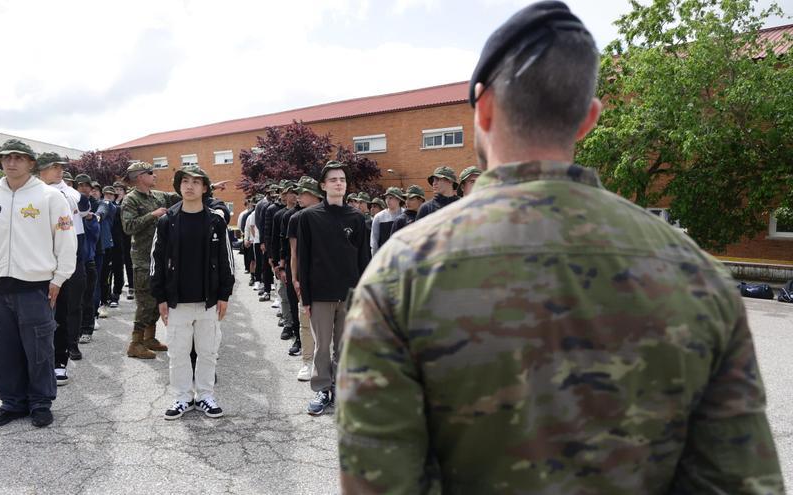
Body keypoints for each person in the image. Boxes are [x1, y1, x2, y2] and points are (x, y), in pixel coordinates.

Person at [336, 2, 784, 493]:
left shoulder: (402, 273)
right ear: (588, 119)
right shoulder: (699, 275)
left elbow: (378, 483)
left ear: (483, 107)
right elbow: (739, 481)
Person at [0, 139, 76, 428]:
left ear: (31, 163)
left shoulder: (50, 197)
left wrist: (60, 278)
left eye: (19, 157)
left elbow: (65, 240)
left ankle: (40, 402)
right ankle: (11, 402)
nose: (11, 162)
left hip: (36, 286)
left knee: (40, 348)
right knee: (5, 348)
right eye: (6, 157)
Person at [151, 166, 234, 420]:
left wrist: (224, 294)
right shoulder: (167, 221)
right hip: (177, 302)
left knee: (208, 350)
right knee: (178, 352)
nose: (190, 186)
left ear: (205, 188)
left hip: (208, 300)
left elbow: (226, 260)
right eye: (185, 181)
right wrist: (160, 297)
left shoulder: (216, 221)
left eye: (196, 182)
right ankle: (182, 397)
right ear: (179, 187)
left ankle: (206, 395)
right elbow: (156, 259)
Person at [297, 161, 369, 415]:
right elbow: (303, 260)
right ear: (323, 185)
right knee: (322, 345)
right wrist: (305, 296)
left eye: (342, 180)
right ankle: (322, 389)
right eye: (333, 180)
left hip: (349, 294)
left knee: (344, 346)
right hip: (320, 294)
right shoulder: (309, 217)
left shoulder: (358, 218)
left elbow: (364, 260)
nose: (339, 183)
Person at [36, 152, 88, 386]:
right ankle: (40, 361)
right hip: (39, 256)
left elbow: (82, 205)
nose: (59, 171)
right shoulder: (30, 191)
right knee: (39, 312)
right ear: (40, 170)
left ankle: (61, 359)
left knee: (64, 308)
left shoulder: (66, 191)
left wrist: (60, 189)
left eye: (60, 167)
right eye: (54, 167)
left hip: (67, 253)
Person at [120, 161, 180, 359]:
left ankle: (149, 338)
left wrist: (208, 187)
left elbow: (181, 197)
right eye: (150, 173)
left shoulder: (158, 195)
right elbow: (128, 227)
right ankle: (135, 344)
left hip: (159, 258)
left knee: (156, 299)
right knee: (145, 302)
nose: (155, 176)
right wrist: (152, 215)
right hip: (143, 259)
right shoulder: (131, 200)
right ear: (140, 177)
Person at [286, 176, 323, 380]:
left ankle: (326, 363)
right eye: (297, 193)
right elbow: (294, 253)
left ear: (315, 195)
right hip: (305, 278)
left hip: (328, 278)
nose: (298, 196)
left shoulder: (330, 214)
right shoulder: (295, 218)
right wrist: (295, 278)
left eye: (303, 193)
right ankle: (307, 362)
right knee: (306, 322)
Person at [75, 174, 101, 345]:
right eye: (80, 185)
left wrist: (91, 219)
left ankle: (87, 328)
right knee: (72, 300)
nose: (84, 188)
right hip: (70, 261)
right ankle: (73, 330)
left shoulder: (95, 207)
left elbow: (95, 234)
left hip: (88, 258)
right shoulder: (66, 205)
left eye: (87, 185)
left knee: (87, 297)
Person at [271, 181, 298, 340]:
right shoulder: (280, 215)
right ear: (284, 195)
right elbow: (275, 240)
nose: (294, 195)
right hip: (285, 261)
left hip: (297, 262)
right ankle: (289, 324)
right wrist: (275, 262)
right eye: (290, 192)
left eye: (296, 192)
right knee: (285, 294)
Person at [97, 186, 119, 317]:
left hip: (105, 246)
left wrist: (97, 216)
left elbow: (103, 210)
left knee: (104, 277)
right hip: (90, 246)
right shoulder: (85, 204)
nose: (93, 191)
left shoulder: (107, 204)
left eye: (95, 189)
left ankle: (103, 303)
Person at [113, 182, 135, 301]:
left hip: (126, 235)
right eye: (116, 189)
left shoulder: (127, 202)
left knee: (129, 261)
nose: (118, 191)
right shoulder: (111, 202)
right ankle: (118, 287)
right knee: (118, 263)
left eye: (120, 189)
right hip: (116, 236)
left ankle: (132, 286)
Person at [369, 187, 405, 255]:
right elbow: (374, 241)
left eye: (391, 198)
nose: (388, 200)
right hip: (385, 257)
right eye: (386, 198)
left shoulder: (406, 215)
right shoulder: (378, 217)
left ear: (399, 199)